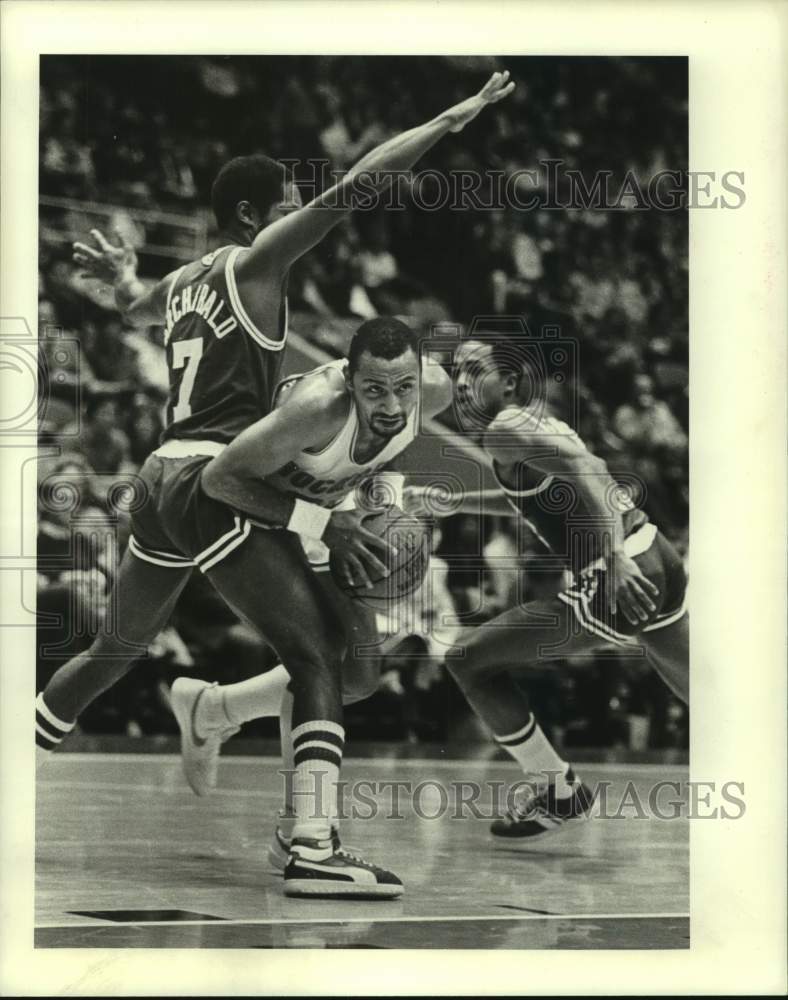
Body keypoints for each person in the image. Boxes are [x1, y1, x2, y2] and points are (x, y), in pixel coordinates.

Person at [35, 70, 515, 898]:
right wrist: (447, 117)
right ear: (259, 216)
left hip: (160, 477)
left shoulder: (186, 282)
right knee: (316, 655)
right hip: (215, 481)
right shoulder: (258, 265)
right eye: (289, 202)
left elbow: (137, 308)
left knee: (114, 650)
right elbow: (362, 184)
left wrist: (118, 282)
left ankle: (167, 722)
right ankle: (312, 846)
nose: (301, 211)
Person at [170, 316, 451, 871]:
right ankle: (304, 833)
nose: (392, 403)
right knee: (316, 661)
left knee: (362, 677)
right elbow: (221, 480)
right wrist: (325, 525)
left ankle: (214, 708)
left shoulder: (433, 391)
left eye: (404, 387)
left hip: (330, 516)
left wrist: (387, 501)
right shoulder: (316, 407)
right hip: (254, 510)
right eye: (374, 389)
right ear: (349, 379)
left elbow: (388, 445)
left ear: (420, 377)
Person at [409, 333, 688, 838]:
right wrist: (455, 500)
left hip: (620, 568)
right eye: (457, 371)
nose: (461, 381)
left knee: (467, 661)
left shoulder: (505, 426)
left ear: (508, 381)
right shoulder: (527, 424)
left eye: (474, 370)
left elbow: (590, 469)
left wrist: (613, 557)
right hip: (657, 555)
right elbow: (533, 494)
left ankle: (559, 788)